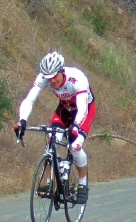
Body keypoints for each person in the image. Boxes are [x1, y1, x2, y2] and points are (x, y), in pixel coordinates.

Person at [14, 51, 96, 204]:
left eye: (54, 77)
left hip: (83, 111)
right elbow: (29, 100)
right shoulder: (44, 78)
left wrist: (76, 127)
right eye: (48, 78)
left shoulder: (77, 79)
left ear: (61, 71)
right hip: (64, 110)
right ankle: (50, 181)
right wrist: (22, 121)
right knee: (51, 140)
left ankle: (83, 182)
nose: (51, 81)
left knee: (75, 145)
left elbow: (83, 108)